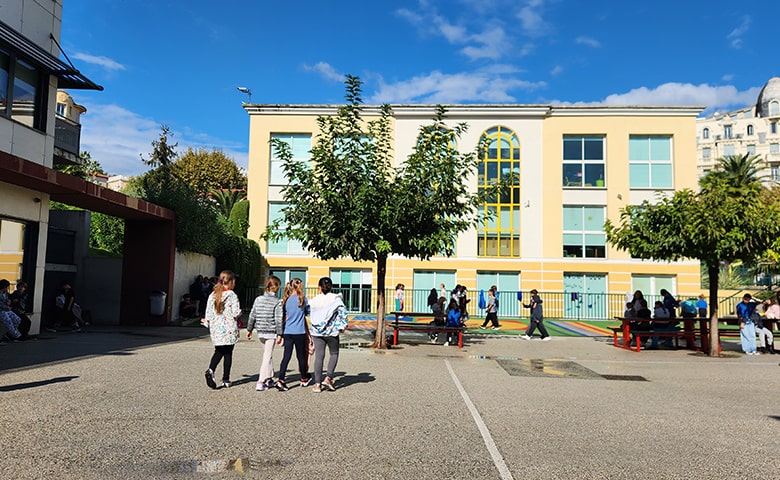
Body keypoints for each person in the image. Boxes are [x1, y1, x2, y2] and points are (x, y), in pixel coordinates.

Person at [201, 270, 242, 388]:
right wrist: (240, 313)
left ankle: (211, 369)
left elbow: (208, 312)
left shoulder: (213, 294)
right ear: (231, 282)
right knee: (228, 353)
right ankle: (225, 378)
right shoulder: (232, 295)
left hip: (216, 328)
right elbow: (235, 312)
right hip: (229, 328)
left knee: (218, 351)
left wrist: (207, 322)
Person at [309, 277, 348, 393]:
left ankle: (317, 384)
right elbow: (343, 313)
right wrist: (341, 326)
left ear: (319, 288)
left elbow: (307, 312)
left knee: (319, 357)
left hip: (317, 332)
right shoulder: (336, 299)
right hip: (332, 331)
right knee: (334, 353)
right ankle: (328, 377)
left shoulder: (314, 301)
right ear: (331, 287)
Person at [246, 275, 284, 391]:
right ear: (276, 286)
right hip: (271, 332)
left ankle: (269, 377)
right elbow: (278, 319)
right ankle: (260, 380)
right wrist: (280, 333)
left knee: (268, 355)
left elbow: (253, 315)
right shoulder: (277, 301)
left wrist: (249, 329)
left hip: (260, 331)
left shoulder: (258, 299)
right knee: (267, 356)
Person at [275, 278, 312, 391]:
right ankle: (304, 378)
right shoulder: (302, 300)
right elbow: (308, 313)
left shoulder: (286, 300)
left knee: (286, 356)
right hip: (299, 331)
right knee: (301, 356)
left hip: (288, 331)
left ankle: (281, 379)